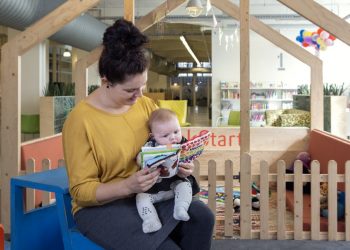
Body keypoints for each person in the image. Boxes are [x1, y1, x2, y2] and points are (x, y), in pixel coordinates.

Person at [62, 19, 214, 250]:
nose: (139, 95)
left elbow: (166, 146)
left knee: (202, 217)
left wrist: (180, 163)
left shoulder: (145, 106)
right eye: (130, 90)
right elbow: (81, 192)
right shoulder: (80, 121)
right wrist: (127, 187)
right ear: (106, 82)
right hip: (103, 206)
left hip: (149, 194)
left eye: (142, 86)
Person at [136, 109, 200, 234]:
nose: (173, 137)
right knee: (140, 198)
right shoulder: (151, 146)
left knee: (186, 185)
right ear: (153, 136)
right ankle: (150, 220)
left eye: (176, 131)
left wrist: (188, 163)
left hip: (175, 184)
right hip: (154, 189)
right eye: (165, 136)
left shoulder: (182, 143)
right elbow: (140, 158)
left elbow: (190, 159)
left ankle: (180, 209)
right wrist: (144, 161)